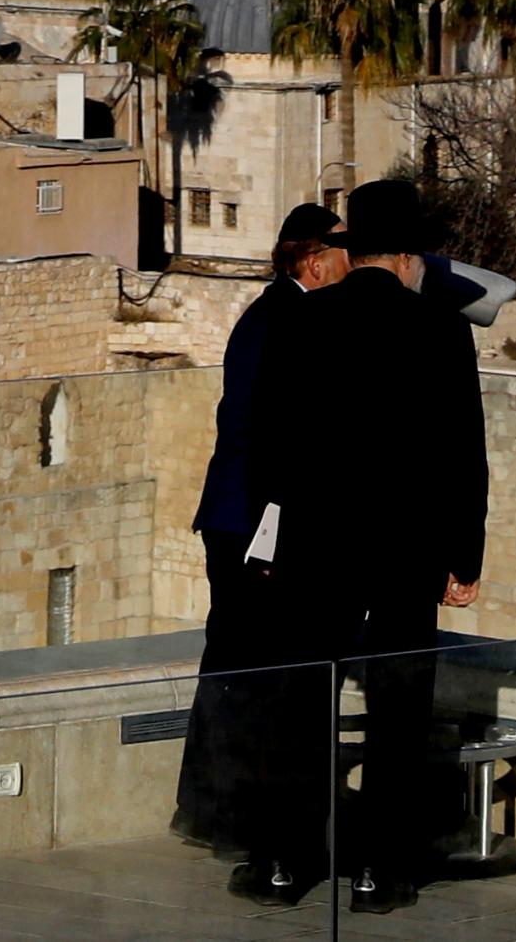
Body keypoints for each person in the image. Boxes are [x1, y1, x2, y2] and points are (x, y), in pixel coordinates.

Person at [234, 178, 489, 914]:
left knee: (301, 702)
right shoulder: (441, 329)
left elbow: (270, 446)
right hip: (406, 547)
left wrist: (272, 538)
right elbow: (462, 454)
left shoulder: (306, 321)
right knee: (399, 711)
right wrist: (462, 556)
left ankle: (285, 862)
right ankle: (381, 872)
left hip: (317, 543)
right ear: (409, 255)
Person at [171, 202, 346, 852]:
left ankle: (212, 809)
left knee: (232, 661)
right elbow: (276, 437)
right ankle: (237, 817)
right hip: (256, 521)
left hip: (238, 516)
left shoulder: (269, 314)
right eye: (341, 252)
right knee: (253, 667)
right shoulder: (291, 319)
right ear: (313, 259)